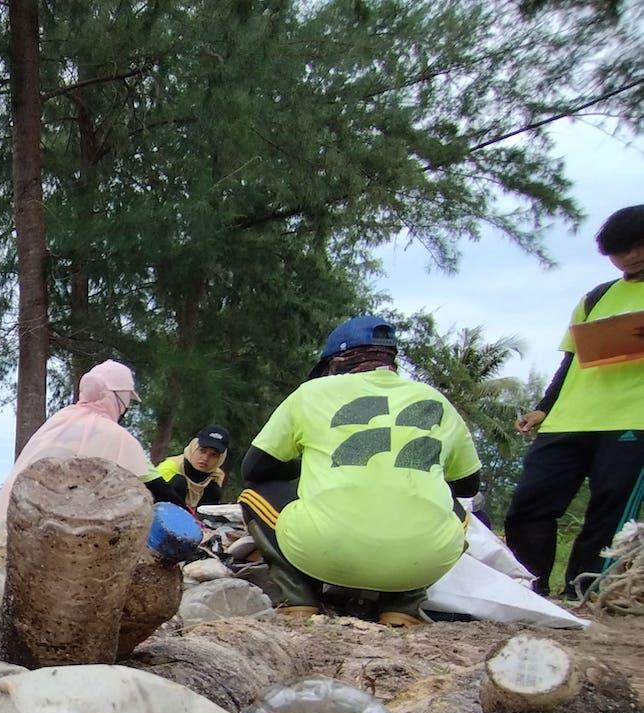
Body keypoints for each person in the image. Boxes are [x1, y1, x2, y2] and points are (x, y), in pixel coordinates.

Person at [238, 316, 481, 626]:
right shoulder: (437, 401)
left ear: (337, 362)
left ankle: (299, 599)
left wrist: (311, 459)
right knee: (454, 511)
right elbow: (467, 485)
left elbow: (256, 468)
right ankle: (401, 607)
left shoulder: (311, 392)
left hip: (322, 549)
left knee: (254, 494)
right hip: (421, 562)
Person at [504, 204, 644, 599]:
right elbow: (570, 360)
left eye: (638, 246)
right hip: (570, 417)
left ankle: (582, 593)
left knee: (611, 511)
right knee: (529, 504)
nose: (631, 256)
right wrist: (544, 406)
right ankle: (525, 588)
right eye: (621, 250)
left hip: (633, 419)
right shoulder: (597, 297)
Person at [0, 359, 171, 528]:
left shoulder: (63, 418)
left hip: (13, 512)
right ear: (117, 395)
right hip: (58, 528)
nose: (126, 407)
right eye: (127, 399)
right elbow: (146, 485)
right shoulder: (114, 435)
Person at [155, 425, 230, 511]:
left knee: (213, 491)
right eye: (202, 451)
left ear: (220, 458)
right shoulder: (170, 466)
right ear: (193, 447)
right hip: (160, 514)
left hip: (194, 521)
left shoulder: (216, 476)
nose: (205, 458)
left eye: (213, 455)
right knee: (179, 482)